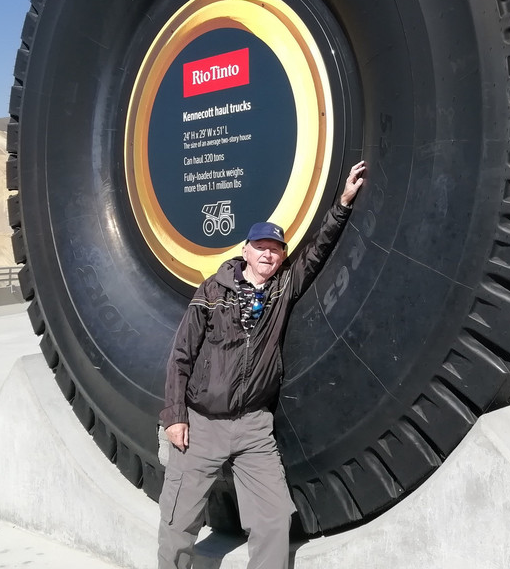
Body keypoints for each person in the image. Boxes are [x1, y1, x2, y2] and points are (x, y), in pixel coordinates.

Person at [157, 161, 367, 569]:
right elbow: (180, 355)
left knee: (273, 519)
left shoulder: (284, 286)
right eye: (262, 248)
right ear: (245, 251)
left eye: (276, 249)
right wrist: (175, 417)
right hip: (202, 425)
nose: (269, 254)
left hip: (254, 427)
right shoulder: (212, 291)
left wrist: (342, 203)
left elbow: (320, 248)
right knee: (178, 521)